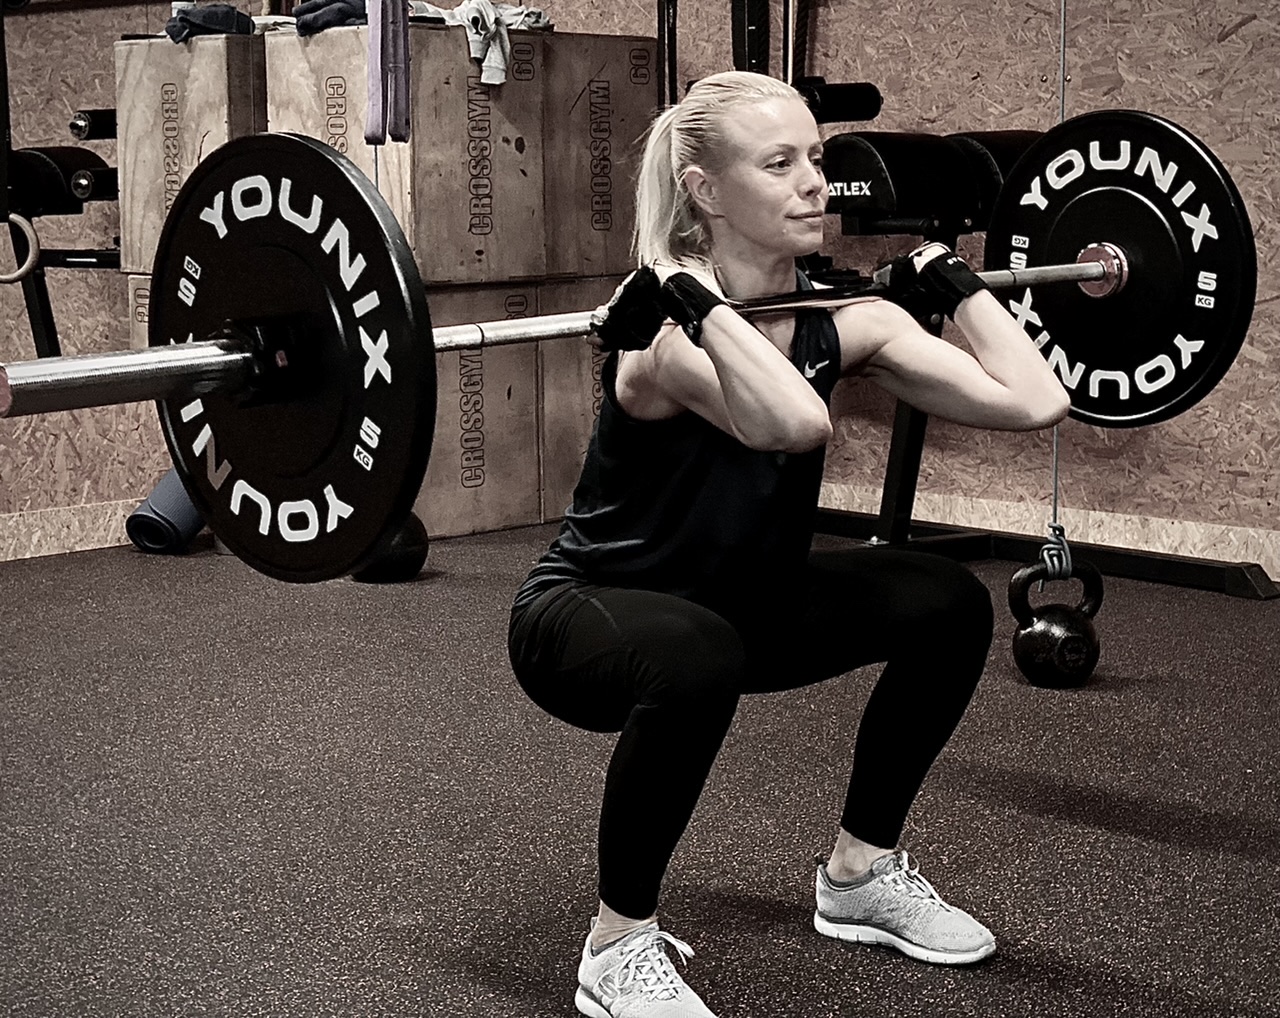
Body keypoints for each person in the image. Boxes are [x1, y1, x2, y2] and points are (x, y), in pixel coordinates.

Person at [507, 70, 1070, 1018]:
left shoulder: (844, 318)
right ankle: (616, 944)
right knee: (696, 654)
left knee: (948, 603)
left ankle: (859, 874)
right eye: (779, 164)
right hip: (590, 615)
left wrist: (956, 286)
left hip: (745, 605)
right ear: (706, 191)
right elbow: (795, 424)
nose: (815, 182)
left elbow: (1038, 399)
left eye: (816, 156)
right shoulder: (661, 341)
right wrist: (693, 298)